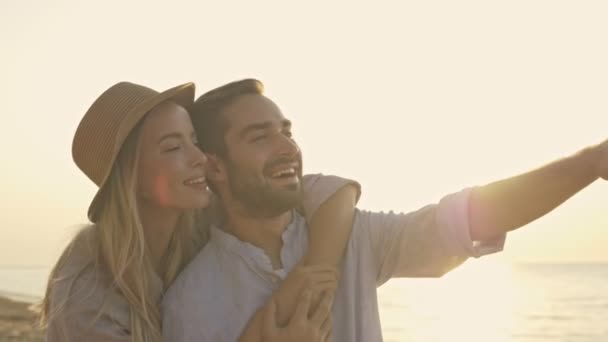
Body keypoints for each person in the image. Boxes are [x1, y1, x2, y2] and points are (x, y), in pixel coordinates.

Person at [162, 78, 608, 342]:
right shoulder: (189, 302)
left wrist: (589, 163)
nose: (288, 148)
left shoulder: (354, 237)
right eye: (260, 137)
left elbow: (472, 216)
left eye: (287, 130)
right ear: (215, 167)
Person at [38, 81, 361, 342]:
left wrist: (317, 274)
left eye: (194, 140)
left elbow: (328, 192)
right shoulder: (85, 296)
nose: (201, 158)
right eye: (173, 148)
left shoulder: (198, 216)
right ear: (131, 177)